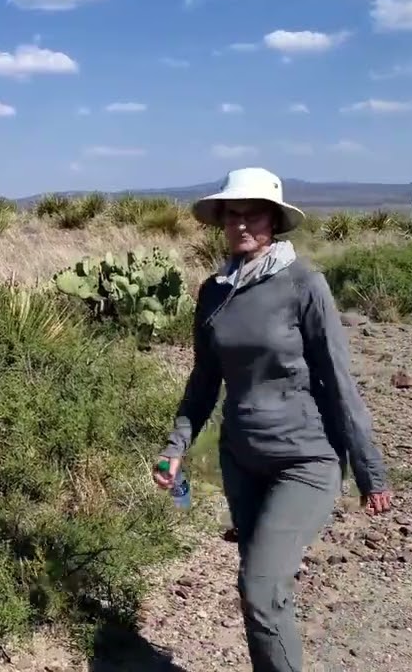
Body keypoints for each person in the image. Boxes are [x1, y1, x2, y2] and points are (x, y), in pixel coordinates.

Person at [151, 167, 393, 672]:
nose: (240, 224)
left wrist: (371, 471)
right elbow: (203, 382)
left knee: (261, 592)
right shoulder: (214, 292)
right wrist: (176, 447)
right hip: (241, 459)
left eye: (252, 214)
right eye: (231, 214)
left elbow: (339, 379)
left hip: (305, 459)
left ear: (274, 220)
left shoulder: (304, 285)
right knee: (258, 590)